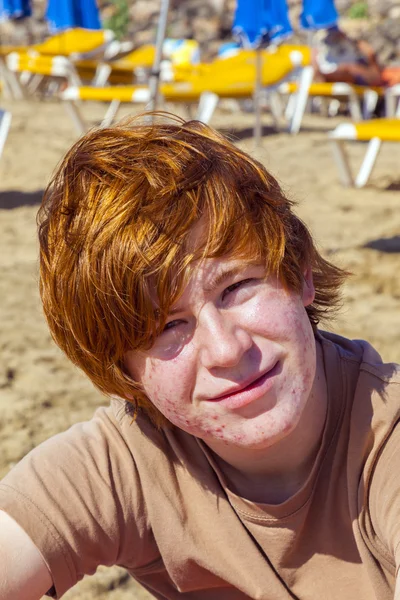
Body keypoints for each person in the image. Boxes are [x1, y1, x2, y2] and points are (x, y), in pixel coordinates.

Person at [1, 114, 400, 600]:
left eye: (237, 287)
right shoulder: (131, 460)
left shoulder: (384, 435)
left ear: (299, 274)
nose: (227, 349)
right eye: (168, 326)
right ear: (123, 370)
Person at [313, 27, 383, 87]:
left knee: (348, 68)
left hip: (367, 79)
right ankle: (323, 75)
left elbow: (371, 55)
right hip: (353, 78)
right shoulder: (343, 46)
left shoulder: (359, 45)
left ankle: (324, 75)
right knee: (347, 68)